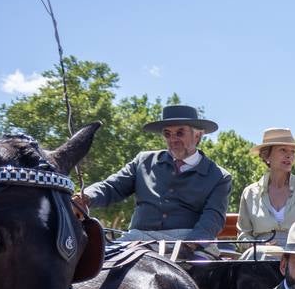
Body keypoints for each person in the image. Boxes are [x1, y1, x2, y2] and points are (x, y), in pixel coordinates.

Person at [74, 104, 231, 248]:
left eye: (180, 133)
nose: (173, 139)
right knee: (97, 261)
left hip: (186, 240)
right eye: (167, 134)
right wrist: (86, 197)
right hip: (137, 238)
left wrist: (192, 244)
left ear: (197, 135)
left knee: (202, 264)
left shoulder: (219, 177)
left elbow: (212, 218)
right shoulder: (143, 161)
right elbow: (112, 187)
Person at [237, 127, 295, 246]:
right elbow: (243, 235)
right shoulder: (249, 193)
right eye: (283, 150)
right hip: (260, 254)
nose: (289, 155)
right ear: (266, 156)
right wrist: (258, 246)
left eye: (293, 151)